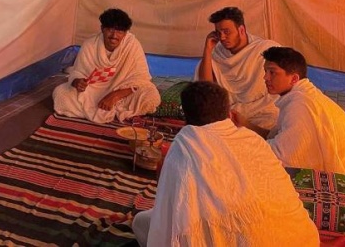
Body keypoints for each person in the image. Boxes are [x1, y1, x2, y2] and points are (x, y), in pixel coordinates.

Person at [131, 81, 319, 246]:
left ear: (185, 118)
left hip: (250, 238)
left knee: (141, 222)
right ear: (228, 113)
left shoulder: (186, 143)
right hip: (302, 238)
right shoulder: (252, 139)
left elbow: (168, 214)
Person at [234, 47, 345, 193]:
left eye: (272, 72)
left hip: (344, 187)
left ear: (294, 78)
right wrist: (244, 123)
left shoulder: (302, 104)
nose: (265, 77)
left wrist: (238, 145)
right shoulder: (301, 96)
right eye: (265, 71)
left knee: (246, 177)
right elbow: (277, 136)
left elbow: (284, 157)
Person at [52, 8, 160, 124]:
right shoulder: (90, 45)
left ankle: (106, 109)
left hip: (122, 92)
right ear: (102, 29)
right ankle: (116, 111)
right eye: (110, 29)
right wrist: (77, 82)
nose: (114, 35)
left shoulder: (132, 45)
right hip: (93, 91)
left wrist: (115, 96)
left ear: (125, 33)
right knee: (60, 94)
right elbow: (78, 72)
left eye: (119, 31)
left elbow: (141, 78)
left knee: (151, 97)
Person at [195, 7, 280, 130]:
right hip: (229, 112)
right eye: (218, 33)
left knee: (272, 122)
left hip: (260, 110)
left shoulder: (265, 48)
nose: (222, 37)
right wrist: (207, 50)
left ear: (241, 30)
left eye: (226, 32)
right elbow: (206, 87)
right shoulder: (216, 53)